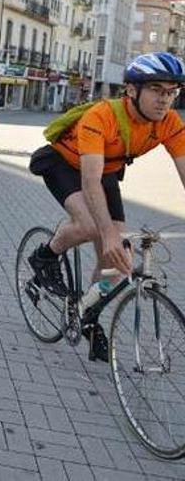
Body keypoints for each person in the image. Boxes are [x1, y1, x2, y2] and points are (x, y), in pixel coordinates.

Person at [27, 52, 185, 362]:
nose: (164, 99)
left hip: (106, 171)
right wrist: (107, 234)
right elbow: (89, 182)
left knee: (119, 261)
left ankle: (87, 311)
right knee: (90, 227)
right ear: (131, 90)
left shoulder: (169, 123)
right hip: (64, 163)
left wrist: (112, 241)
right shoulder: (101, 116)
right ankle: (45, 256)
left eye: (172, 91)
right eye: (156, 89)